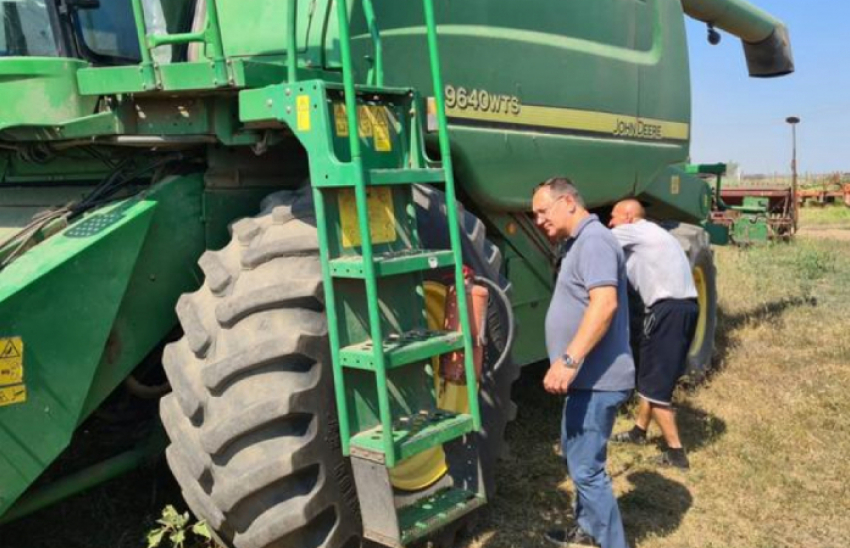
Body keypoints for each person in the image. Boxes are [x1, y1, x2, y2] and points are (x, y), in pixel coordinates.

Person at [533, 178, 635, 548]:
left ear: (569, 202)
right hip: (586, 380)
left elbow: (604, 304)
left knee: (587, 470)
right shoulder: (581, 242)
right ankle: (587, 529)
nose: (539, 220)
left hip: (597, 379)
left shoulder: (594, 241)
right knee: (579, 460)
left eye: (543, 211)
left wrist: (568, 360)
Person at [608, 199, 699, 469]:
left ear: (627, 216)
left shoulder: (635, 230)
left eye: (612, 217)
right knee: (653, 375)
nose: (610, 223)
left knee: (656, 387)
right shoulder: (657, 233)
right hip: (685, 308)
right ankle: (639, 430)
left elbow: (598, 239)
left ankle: (676, 453)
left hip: (666, 311)